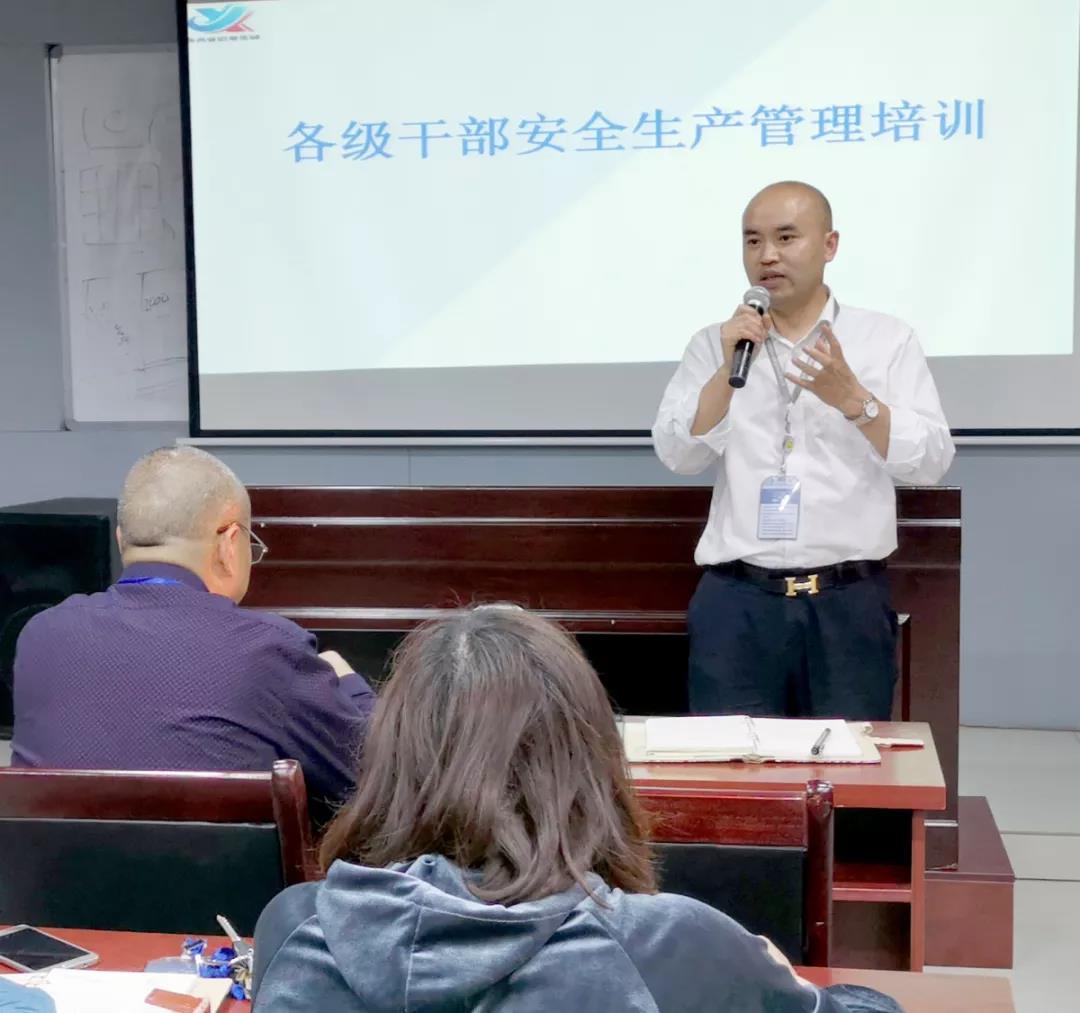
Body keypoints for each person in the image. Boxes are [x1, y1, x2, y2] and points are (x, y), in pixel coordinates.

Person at [251, 606, 869, 1012]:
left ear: (392, 758)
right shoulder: (675, 942)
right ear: (587, 761)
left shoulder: (296, 925)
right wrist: (772, 981)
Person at [653, 181, 954, 720]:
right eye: (752, 241)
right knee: (731, 765)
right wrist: (726, 372)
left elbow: (931, 460)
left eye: (786, 237)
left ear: (829, 245)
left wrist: (856, 401)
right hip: (737, 602)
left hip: (847, 602)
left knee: (849, 762)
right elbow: (679, 454)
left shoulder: (885, 340)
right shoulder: (716, 344)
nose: (766, 255)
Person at [10, 446, 375, 809]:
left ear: (121, 541)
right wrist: (348, 684)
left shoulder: (39, 636)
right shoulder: (267, 648)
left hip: (58, 851)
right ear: (229, 544)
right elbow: (378, 775)